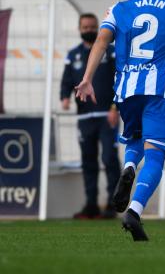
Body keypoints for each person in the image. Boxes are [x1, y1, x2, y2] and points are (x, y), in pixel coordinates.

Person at [75, 0, 165, 241]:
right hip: (158, 93)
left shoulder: (119, 8)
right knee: (155, 156)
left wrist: (87, 78)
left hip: (126, 91)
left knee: (134, 141)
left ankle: (129, 166)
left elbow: (102, 41)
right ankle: (135, 211)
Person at [60, 13, 120, 219]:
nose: (88, 30)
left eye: (92, 27)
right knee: (88, 160)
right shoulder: (73, 54)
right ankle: (91, 204)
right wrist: (64, 98)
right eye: (85, 27)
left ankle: (113, 204)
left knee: (109, 158)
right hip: (85, 117)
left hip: (107, 114)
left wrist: (115, 107)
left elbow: (119, 79)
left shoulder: (109, 52)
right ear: (79, 29)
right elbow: (67, 80)